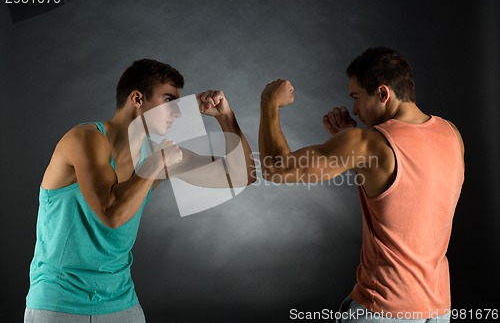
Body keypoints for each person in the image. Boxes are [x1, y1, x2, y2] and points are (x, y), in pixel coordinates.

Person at [24, 59, 255, 323]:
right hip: (58, 304)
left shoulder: (156, 153)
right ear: (137, 98)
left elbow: (242, 175)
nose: (177, 113)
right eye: (169, 101)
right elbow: (112, 215)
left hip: (121, 304)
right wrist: (155, 165)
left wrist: (226, 117)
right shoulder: (84, 138)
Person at [259, 47, 464, 323]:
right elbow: (412, 196)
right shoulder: (452, 134)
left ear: (383, 93)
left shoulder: (367, 143)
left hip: (383, 309)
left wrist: (269, 102)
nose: (354, 108)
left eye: (356, 97)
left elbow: (275, 168)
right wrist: (347, 139)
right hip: (438, 310)